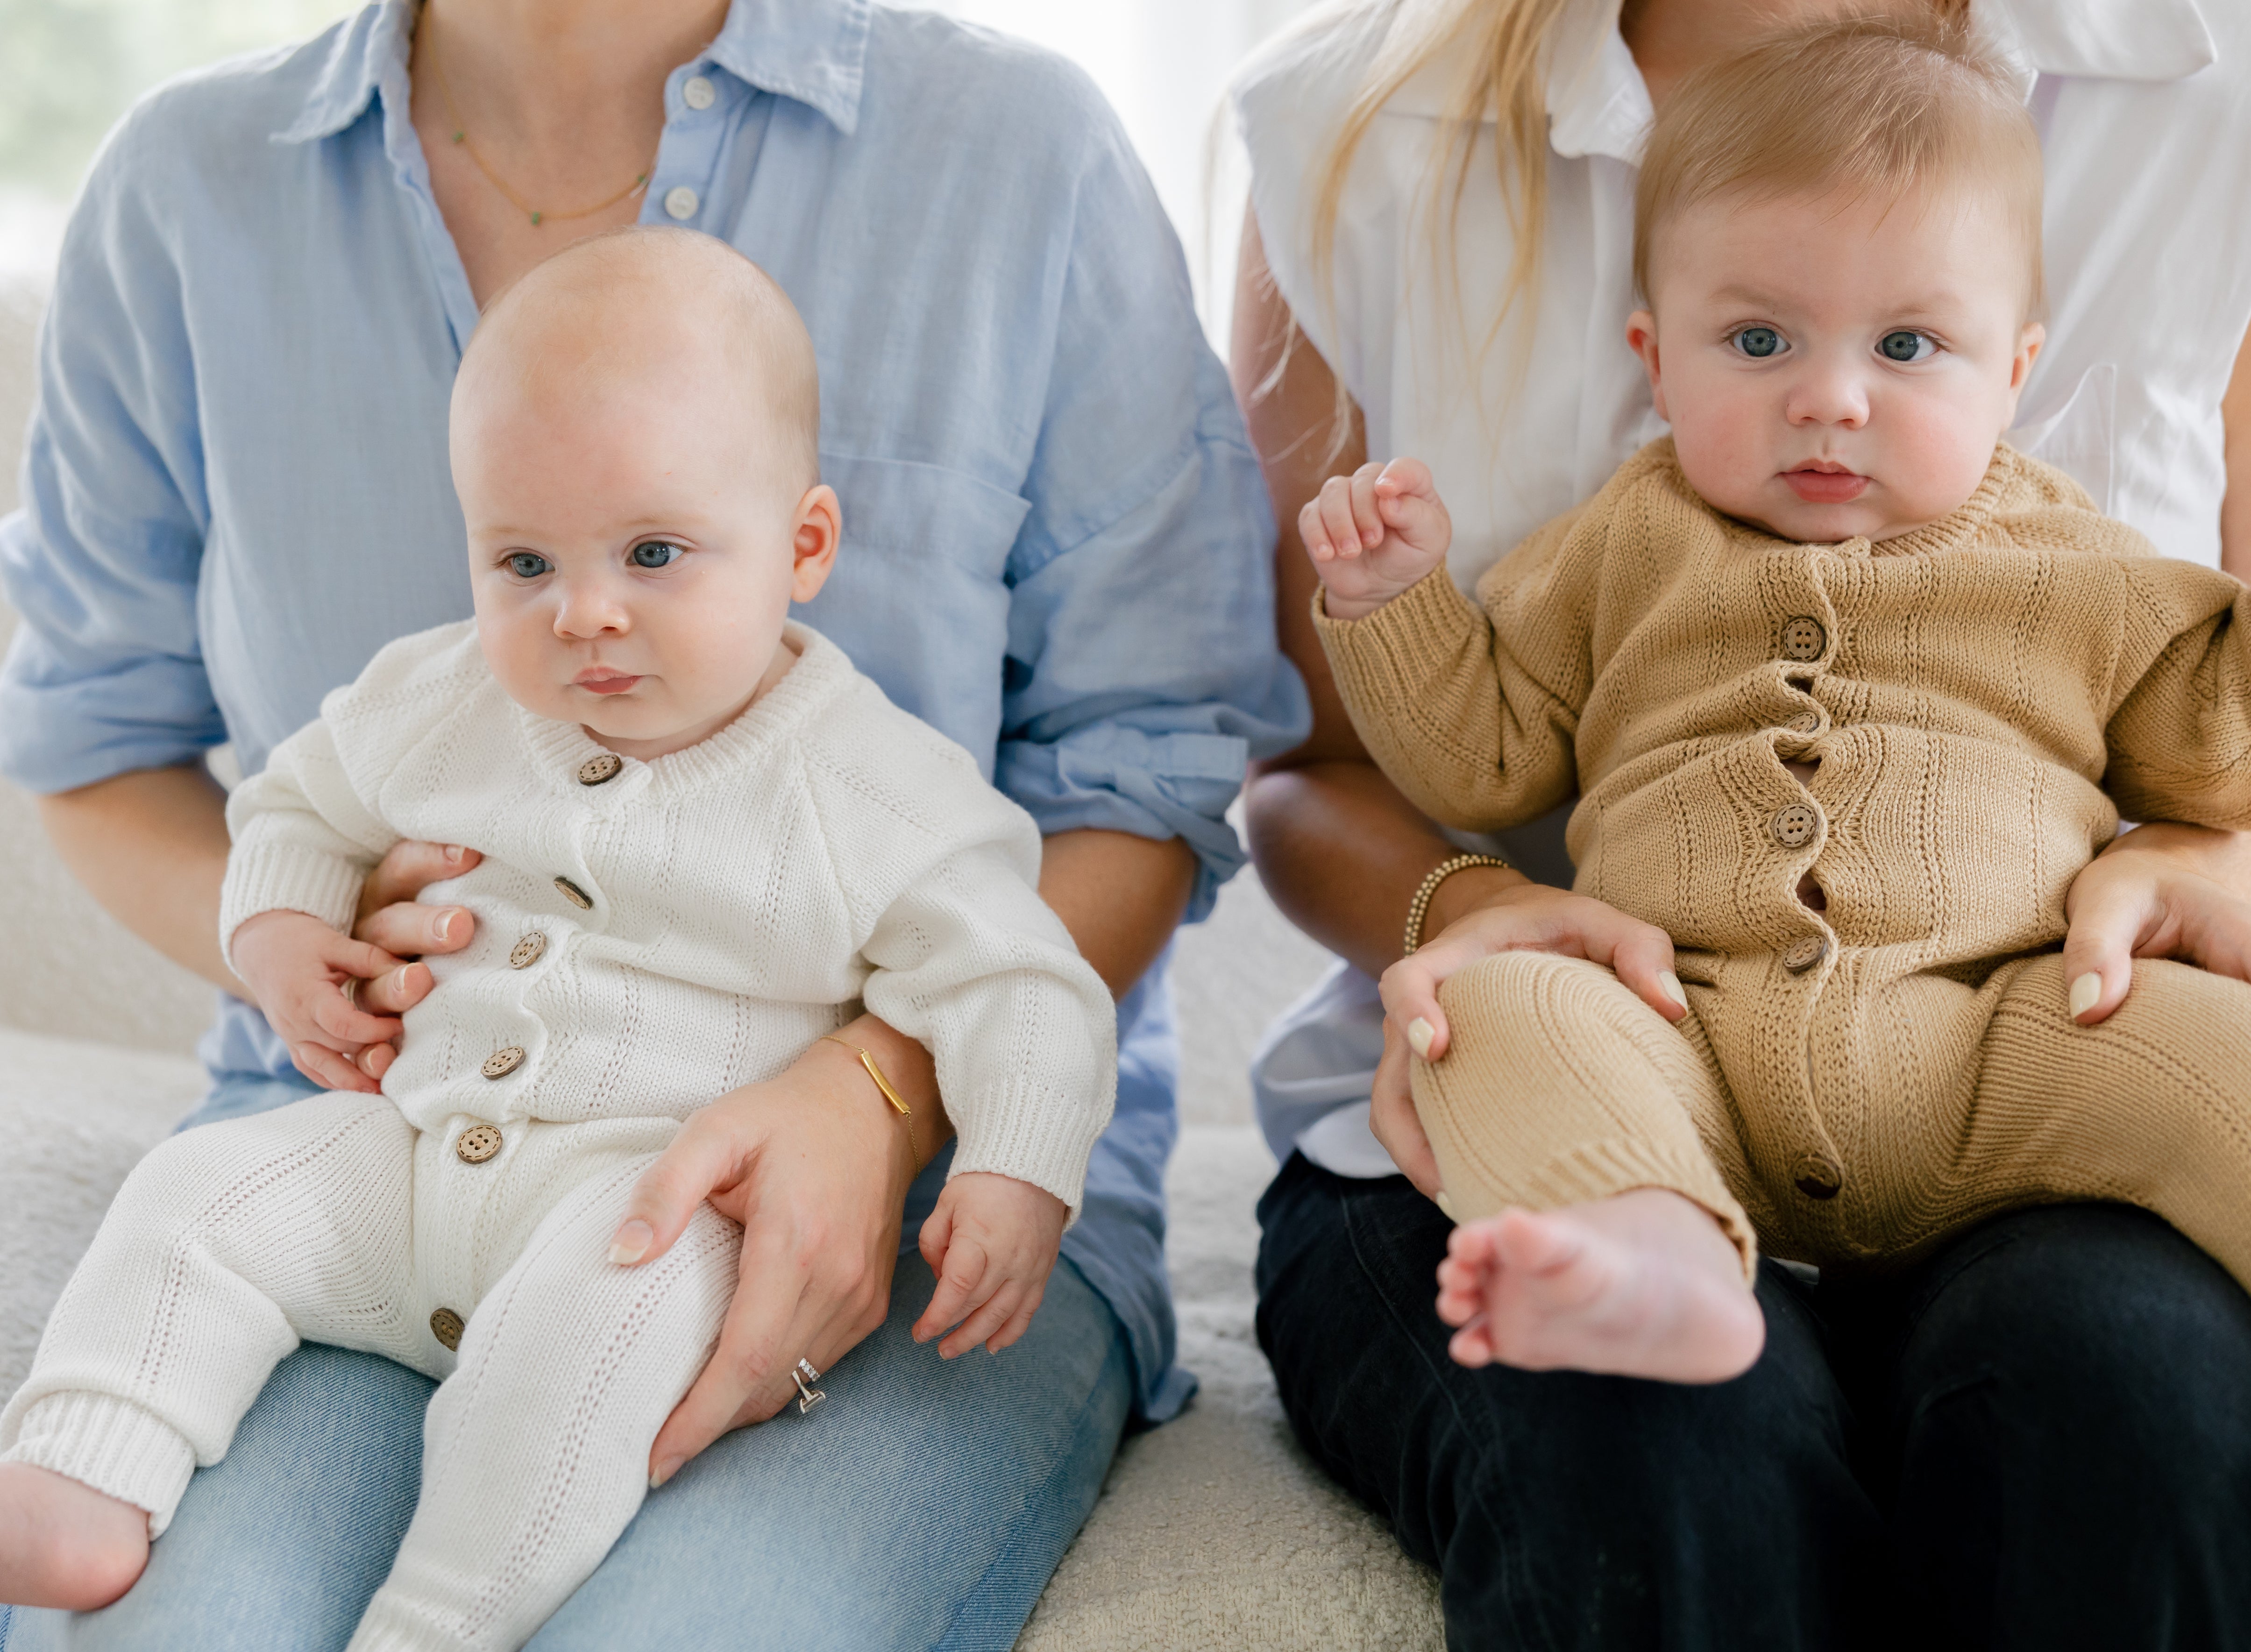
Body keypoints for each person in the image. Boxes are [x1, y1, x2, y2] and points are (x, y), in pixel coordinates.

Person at [0, 0, 1307, 1645]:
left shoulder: (1016, 157)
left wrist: (884, 1094)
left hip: (832, 1192)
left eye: (660, 557)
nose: (585, 621)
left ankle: (444, 1614)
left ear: (807, 541)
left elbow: (1142, 784)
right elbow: (135, 751)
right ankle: (77, 1464)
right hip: (391, 1126)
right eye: (526, 565)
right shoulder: (190, 190)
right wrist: (292, 939)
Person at [1231, 0, 2251, 1644]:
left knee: (2208, 1184)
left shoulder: (2075, 549)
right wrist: (1404, 665)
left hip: (2016, 1036)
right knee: (1529, 1061)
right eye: (1759, 346)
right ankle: (1652, 1244)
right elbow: (1442, 756)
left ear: (2013, 370)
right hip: (1657, 1026)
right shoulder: (1589, 502)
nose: (1832, 403)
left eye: (1905, 350)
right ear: (1652, 356)